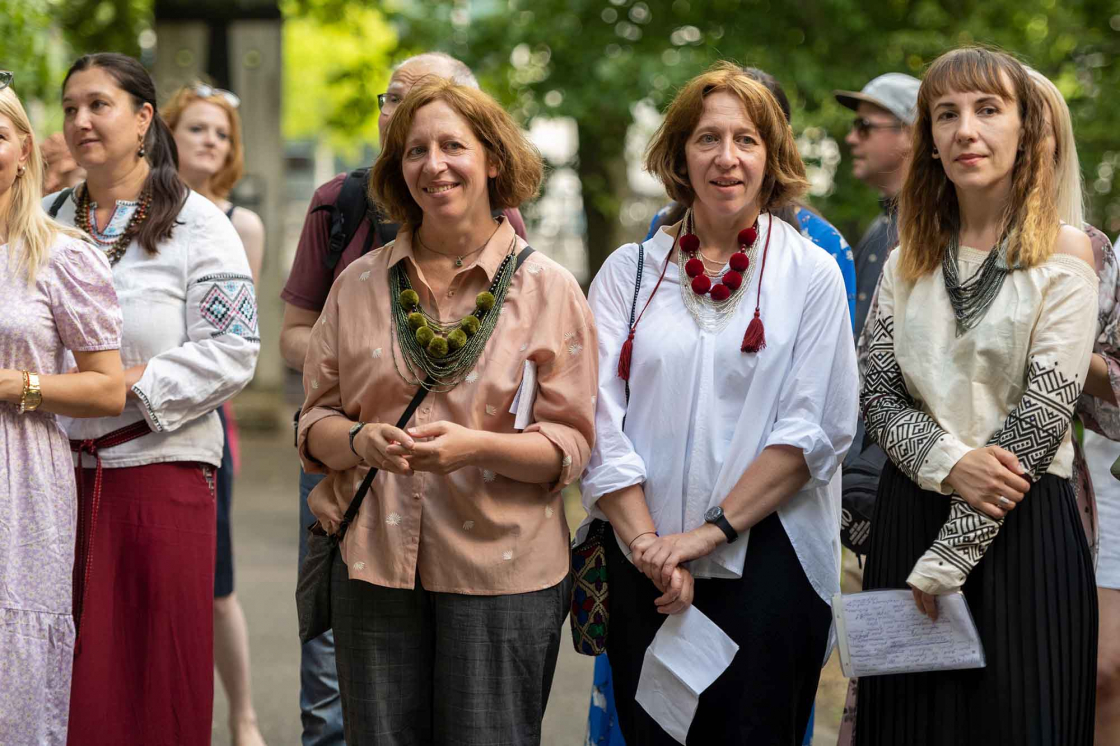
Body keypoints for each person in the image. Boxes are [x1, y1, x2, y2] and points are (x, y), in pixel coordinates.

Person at [299, 76, 596, 744]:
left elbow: (571, 446)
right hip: (373, 565)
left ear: (493, 158)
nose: (433, 165)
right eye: (414, 150)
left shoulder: (548, 289)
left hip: (505, 573)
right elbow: (313, 423)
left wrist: (476, 448)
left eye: (452, 146)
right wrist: (358, 441)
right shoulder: (358, 285)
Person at [580, 61, 857, 745]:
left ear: (772, 156)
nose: (726, 158)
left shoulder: (810, 272)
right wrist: (648, 543)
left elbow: (814, 429)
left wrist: (704, 536)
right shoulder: (629, 272)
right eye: (707, 139)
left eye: (746, 140)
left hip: (771, 561)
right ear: (679, 153)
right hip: (646, 565)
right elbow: (596, 417)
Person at [857, 47, 1098, 744]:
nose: (966, 130)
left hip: (1024, 531)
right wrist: (948, 463)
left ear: (1025, 129)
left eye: (989, 110)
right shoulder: (908, 258)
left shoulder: (1066, 253)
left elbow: (1042, 418)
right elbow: (877, 388)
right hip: (910, 516)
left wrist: (950, 557)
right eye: (946, 114)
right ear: (928, 139)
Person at [48, 53, 260, 745]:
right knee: (61, 681)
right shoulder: (41, 222)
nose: (81, 119)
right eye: (71, 106)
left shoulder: (201, 225)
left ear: (143, 118)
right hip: (47, 485)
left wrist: (121, 384)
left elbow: (234, 351)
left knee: (153, 684)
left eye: (98, 104)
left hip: (158, 479)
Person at [0, 78, 125, 746]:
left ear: (24, 149)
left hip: (20, 476)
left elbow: (106, 388)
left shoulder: (60, 254)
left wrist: (13, 384)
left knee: (14, 654)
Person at [164, 82, 268, 746]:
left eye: (222, 133)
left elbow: (231, 339)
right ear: (166, 133)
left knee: (216, 583)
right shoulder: (133, 212)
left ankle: (244, 716)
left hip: (204, 420)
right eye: (198, 128)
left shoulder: (241, 224)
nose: (211, 140)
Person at [1022, 69, 1120, 745]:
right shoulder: (923, 246)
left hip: (1052, 492)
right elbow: (877, 385)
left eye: (1036, 122)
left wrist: (1056, 341)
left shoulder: (1087, 248)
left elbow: (1111, 405)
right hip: (933, 487)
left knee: (1074, 679)